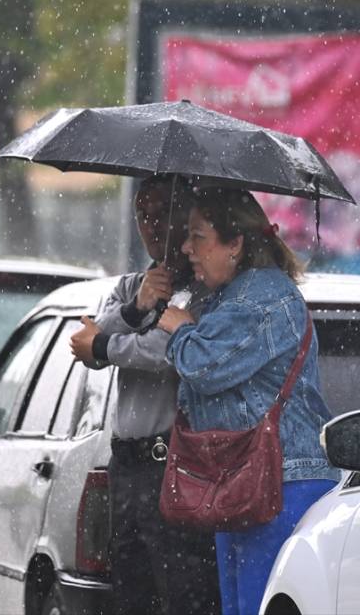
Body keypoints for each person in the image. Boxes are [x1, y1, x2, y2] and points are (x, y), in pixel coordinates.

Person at [157, 187, 340, 615]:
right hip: (245, 482)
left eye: (198, 237)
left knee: (258, 605)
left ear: (235, 243)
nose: (187, 249)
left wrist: (182, 329)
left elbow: (205, 367)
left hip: (282, 482)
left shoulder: (262, 298)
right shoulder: (230, 296)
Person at [69, 175, 220, 615]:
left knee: (180, 590)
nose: (152, 225)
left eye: (163, 214)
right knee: (130, 590)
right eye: (143, 216)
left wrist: (104, 344)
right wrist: (136, 308)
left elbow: (163, 353)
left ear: (186, 220)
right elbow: (91, 341)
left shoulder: (204, 290)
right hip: (126, 463)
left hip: (171, 462)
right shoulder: (128, 287)